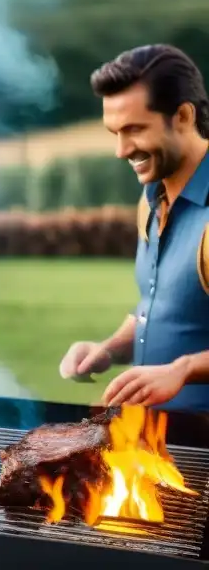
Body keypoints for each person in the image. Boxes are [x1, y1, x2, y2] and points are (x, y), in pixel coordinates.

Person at [58, 43, 209, 413]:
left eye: (135, 129)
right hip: (155, 447)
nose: (122, 150)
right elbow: (162, 307)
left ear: (184, 117)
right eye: (115, 133)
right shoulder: (151, 200)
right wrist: (108, 350)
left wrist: (183, 369)